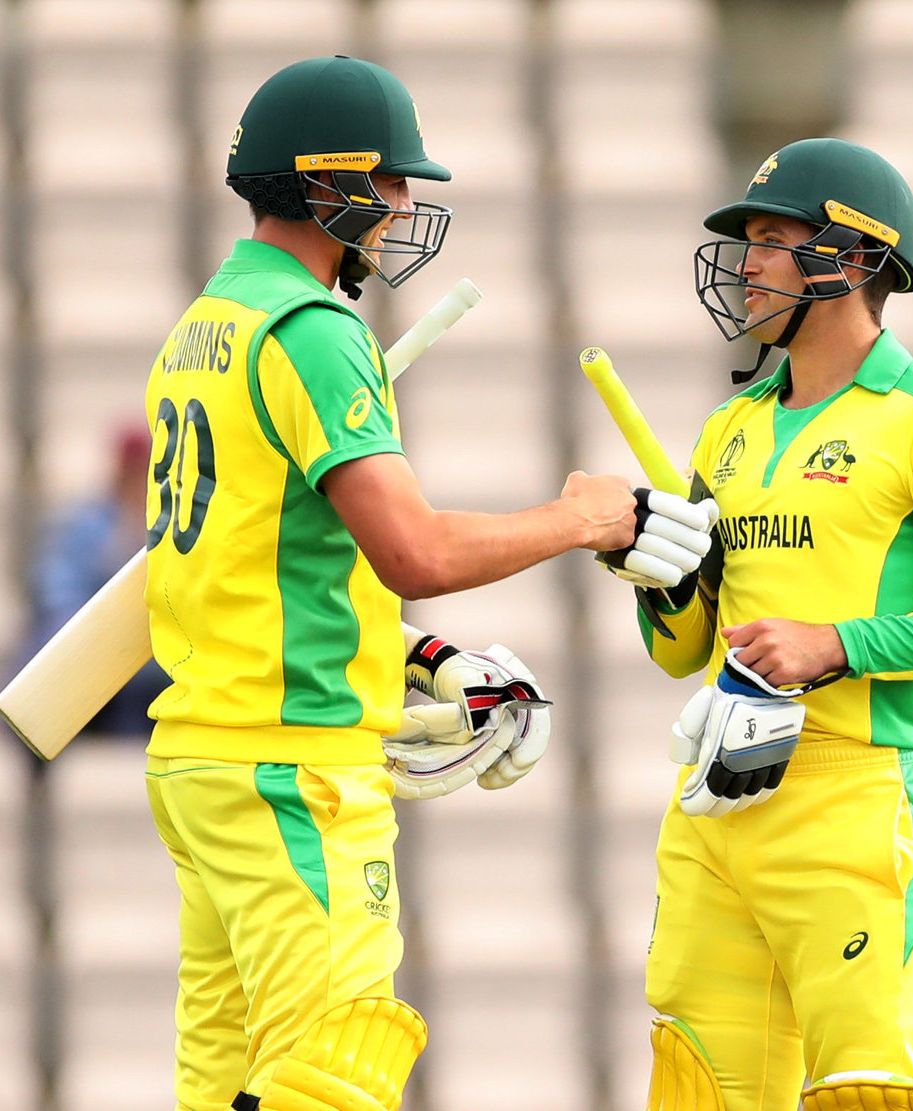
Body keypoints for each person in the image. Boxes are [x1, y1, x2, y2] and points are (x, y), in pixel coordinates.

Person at [140, 56, 716, 1111]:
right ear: (326, 181)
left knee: (227, 1090)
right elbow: (417, 555)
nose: (403, 204)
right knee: (328, 1083)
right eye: (389, 180)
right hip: (295, 767)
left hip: (204, 762)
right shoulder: (313, 332)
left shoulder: (205, 325)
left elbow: (260, 568)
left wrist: (426, 657)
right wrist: (589, 516)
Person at [621, 138, 913, 1111]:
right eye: (745, 240)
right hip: (716, 802)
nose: (746, 263)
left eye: (771, 239)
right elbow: (682, 651)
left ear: (852, 258)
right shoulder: (728, 426)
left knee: (865, 1095)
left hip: (857, 801)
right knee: (698, 1093)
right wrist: (652, 575)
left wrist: (836, 643)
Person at [23, 424, 166, 735]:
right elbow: (58, 586)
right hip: (100, 642)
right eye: (131, 472)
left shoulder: (170, 524)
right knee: (42, 650)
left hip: (155, 650)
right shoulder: (89, 522)